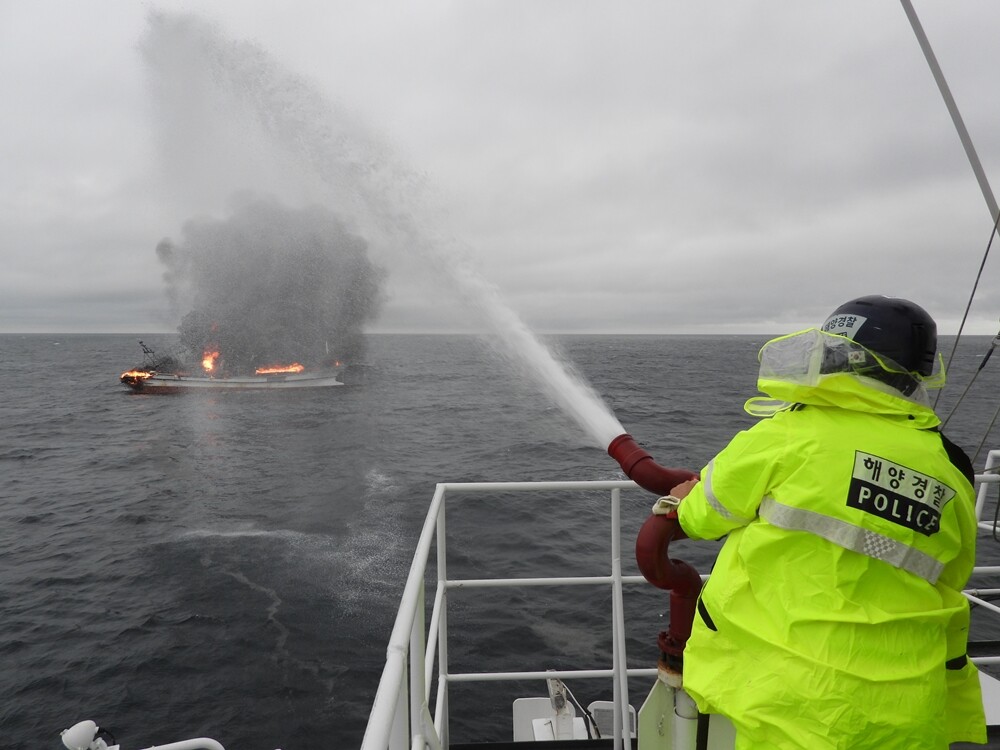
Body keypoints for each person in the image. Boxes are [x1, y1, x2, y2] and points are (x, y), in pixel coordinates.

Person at [669, 295, 986, 749]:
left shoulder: (787, 433)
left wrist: (683, 500)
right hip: (906, 703)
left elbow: (702, 518)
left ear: (838, 357)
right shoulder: (949, 466)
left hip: (788, 695)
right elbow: (953, 570)